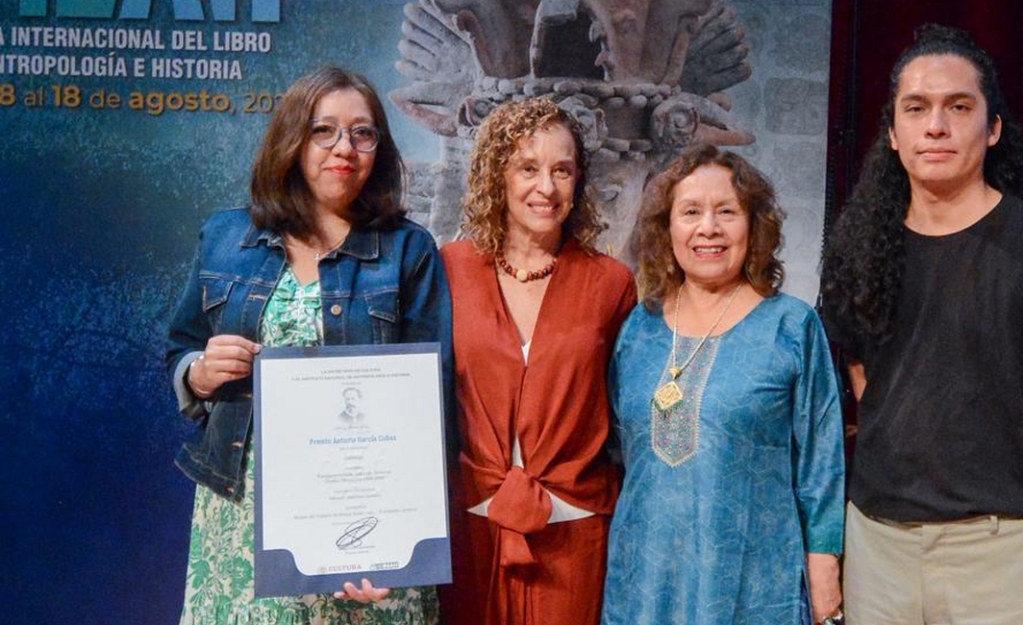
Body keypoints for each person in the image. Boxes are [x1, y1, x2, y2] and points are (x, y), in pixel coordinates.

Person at [824, 25, 1023, 625]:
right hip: (880, 546)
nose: (936, 125)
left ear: (992, 128)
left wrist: (1005, 495)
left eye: (959, 107)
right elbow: (868, 387)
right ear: (892, 132)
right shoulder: (858, 251)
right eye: (916, 108)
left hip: (1002, 554)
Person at [166, 66, 453, 624]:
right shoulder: (227, 237)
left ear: (379, 149)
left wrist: (391, 549)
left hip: (366, 522)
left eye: (362, 133)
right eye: (324, 131)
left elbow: (432, 401)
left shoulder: (409, 250)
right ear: (293, 139)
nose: (343, 148)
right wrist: (198, 373)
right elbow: (180, 349)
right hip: (244, 517)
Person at [602, 144, 846, 625]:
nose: (707, 228)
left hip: (755, 584)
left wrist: (825, 565)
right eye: (691, 212)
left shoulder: (790, 327)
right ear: (667, 227)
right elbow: (617, 453)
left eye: (726, 212)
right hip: (646, 584)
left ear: (753, 225)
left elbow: (822, 459)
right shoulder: (638, 329)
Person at [438, 98, 636, 625]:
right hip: (473, 527)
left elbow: (627, 409)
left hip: (574, 531)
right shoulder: (450, 270)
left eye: (561, 170)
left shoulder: (611, 283)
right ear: (497, 175)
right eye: (528, 167)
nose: (545, 188)